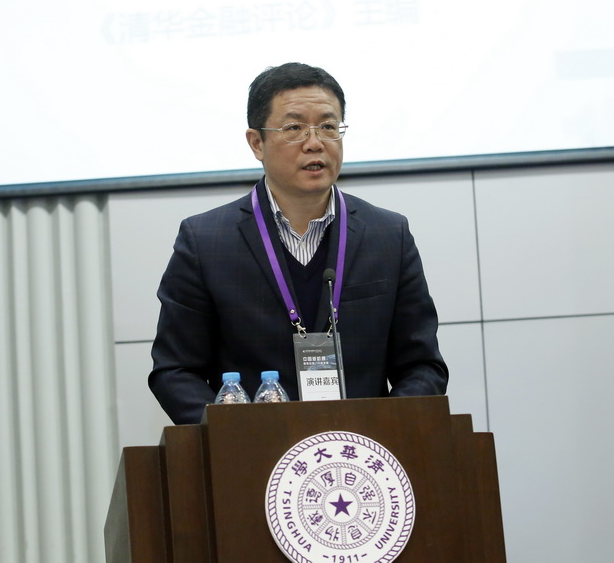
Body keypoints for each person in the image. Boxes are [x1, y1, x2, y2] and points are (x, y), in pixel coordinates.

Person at [150, 62, 448, 424]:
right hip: (255, 449)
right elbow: (175, 370)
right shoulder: (206, 241)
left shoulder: (388, 235)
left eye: (328, 126)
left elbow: (422, 366)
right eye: (294, 128)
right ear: (257, 143)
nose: (315, 143)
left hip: (362, 449)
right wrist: (234, 436)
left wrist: (384, 431)